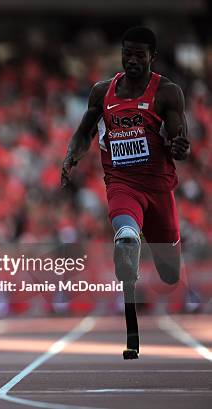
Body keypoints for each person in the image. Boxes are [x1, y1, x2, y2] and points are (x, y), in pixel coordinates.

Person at [61, 27, 190, 358]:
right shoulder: (102, 92)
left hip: (159, 188)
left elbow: (180, 137)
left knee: (171, 274)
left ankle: (132, 240)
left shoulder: (168, 93)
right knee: (125, 226)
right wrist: (71, 157)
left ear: (152, 57)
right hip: (122, 182)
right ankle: (128, 238)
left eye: (139, 55)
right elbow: (84, 133)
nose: (132, 60)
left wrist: (178, 145)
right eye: (127, 53)